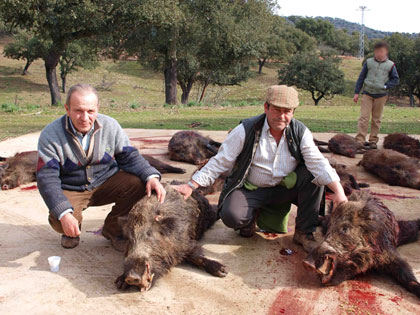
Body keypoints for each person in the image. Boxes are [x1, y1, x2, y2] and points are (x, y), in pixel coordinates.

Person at [174, 85, 347, 252]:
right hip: (252, 189)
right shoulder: (245, 130)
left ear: (293, 112)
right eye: (276, 110)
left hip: (286, 188)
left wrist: (339, 192)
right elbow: (220, 161)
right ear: (266, 107)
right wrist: (191, 186)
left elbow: (318, 162)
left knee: (314, 175)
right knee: (231, 216)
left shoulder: (300, 132)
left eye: (287, 111)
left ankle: (303, 232)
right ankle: (249, 219)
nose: (281, 116)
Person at [37, 84, 166, 250]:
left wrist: (152, 177)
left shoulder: (111, 126)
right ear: (67, 109)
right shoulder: (50, 135)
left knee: (141, 184)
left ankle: (113, 229)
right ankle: (71, 229)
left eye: (90, 111)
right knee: (59, 219)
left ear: (97, 109)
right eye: (78, 111)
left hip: (106, 182)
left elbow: (130, 157)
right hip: (72, 188)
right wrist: (64, 213)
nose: (85, 117)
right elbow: (47, 178)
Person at [354, 40, 400, 149]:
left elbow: (395, 80)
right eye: (377, 51)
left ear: (386, 52)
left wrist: (386, 86)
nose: (379, 54)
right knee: (363, 117)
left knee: (376, 119)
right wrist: (356, 92)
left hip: (381, 95)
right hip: (367, 93)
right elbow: (361, 77)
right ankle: (360, 140)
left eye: (381, 51)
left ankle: (373, 140)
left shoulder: (391, 65)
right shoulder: (369, 62)